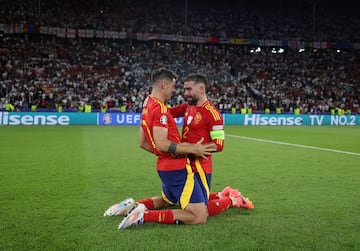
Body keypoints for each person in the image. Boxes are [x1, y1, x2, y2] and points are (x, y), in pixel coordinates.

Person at [104, 72, 253, 226]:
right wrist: (149, 103)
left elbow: (219, 144)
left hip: (200, 166)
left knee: (180, 201)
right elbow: (163, 113)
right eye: (183, 89)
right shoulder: (187, 107)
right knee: (197, 208)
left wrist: (197, 150)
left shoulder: (213, 114)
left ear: (201, 90)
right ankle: (232, 199)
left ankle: (227, 197)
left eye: (189, 89)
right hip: (182, 162)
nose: (185, 93)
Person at [115, 68, 218, 229]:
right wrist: (192, 149)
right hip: (177, 167)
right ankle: (144, 215)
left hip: (164, 166)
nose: (175, 91)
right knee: (199, 215)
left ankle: (133, 206)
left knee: (168, 200)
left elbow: (143, 142)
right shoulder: (161, 109)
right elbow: (162, 143)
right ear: (164, 84)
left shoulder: (147, 105)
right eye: (173, 87)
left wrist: (164, 154)